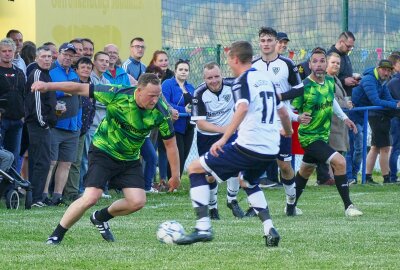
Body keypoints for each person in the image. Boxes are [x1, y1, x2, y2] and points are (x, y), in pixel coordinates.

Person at [31, 73, 180, 245]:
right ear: (138, 91)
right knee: (91, 197)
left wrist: (175, 175)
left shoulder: (161, 112)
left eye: (158, 95)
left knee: (137, 202)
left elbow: (170, 145)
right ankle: (56, 235)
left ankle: (100, 217)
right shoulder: (118, 93)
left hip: (129, 158)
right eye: (151, 95)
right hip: (103, 151)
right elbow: (79, 88)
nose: (155, 100)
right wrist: (48, 86)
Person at [175, 41, 292, 247]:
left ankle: (203, 227)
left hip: (249, 145)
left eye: (229, 59)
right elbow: (283, 112)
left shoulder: (241, 81)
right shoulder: (266, 79)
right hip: (271, 147)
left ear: (234, 59)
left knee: (194, 168)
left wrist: (223, 137)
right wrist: (288, 131)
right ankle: (269, 228)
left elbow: (243, 108)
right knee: (247, 181)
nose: (228, 64)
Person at [291, 47, 362, 217]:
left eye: (322, 61)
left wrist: (344, 118)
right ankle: (348, 206)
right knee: (340, 162)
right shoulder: (304, 86)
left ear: (326, 63)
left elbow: (332, 101)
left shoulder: (330, 81)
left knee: (306, 171)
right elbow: (289, 107)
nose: (319, 65)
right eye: (315, 61)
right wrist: (297, 117)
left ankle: (290, 206)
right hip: (309, 137)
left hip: (323, 136)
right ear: (310, 65)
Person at [251, 27, 304, 217]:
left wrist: (280, 95)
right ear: (259, 43)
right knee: (253, 163)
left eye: (269, 40)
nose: (266, 44)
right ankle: (254, 207)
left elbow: (299, 89)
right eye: (263, 40)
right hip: (259, 123)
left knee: (285, 166)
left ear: (276, 43)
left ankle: (291, 203)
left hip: (282, 124)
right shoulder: (253, 65)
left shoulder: (287, 64)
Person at [191, 61, 244, 219]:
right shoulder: (199, 93)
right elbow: (201, 123)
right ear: (204, 79)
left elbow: (243, 106)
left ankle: (232, 200)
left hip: (229, 134)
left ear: (222, 75)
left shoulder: (233, 85)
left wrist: (235, 127)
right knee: (209, 174)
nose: (214, 80)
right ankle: (213, 208)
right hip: (207, 137)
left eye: (216, 76)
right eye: (209, 78)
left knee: (236, 165)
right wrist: (224, 129)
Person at [352, 59, 400, 184]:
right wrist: (395, 105)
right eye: (384, 69)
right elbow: (376, 101)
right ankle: (386, 178)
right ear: (378, 68)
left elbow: (388, 99)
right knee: (383, 147)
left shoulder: (382, 81)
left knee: (375, 148)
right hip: (357, 115)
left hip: (366, 115)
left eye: (389, 70)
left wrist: (396, 103)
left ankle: (366, 177)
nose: (386, 73)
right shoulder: (369, 79)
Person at [44, 42, 80, 206]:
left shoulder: (74, 73)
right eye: (65, 54)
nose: (67, 57)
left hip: (73, 126)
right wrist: (62, 92)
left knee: (66, 163)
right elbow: (45, 93)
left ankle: (57, 196)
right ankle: (44, 195)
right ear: (58, 54)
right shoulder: (51, 72)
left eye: (71, 55)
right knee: (51, 162)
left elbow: (79, 96)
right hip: (55, 125)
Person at [24, 46, 56, 207]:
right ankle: (35, 198)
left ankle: (37, 197)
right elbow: (35, 103)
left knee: (43, 161)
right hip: (38, 125)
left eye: (49, 56)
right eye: (43, 56)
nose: (47, 59)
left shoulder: (47, 74)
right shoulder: (37, 74)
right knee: (40, 161)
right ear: (36, 58)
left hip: (43, 125)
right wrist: (43, 123)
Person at [162, 59, 195, 179]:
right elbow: (165, 102)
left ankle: (177, 181)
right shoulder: (167, 84)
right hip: (175, 125)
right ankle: (171, 181)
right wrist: (183, 110)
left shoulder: (191, 87)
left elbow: (195, 104)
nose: (183, 72)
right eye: (180, 69)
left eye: (186, 70)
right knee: (177, 155)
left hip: (189, 126)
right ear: (175, 71)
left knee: (184, 155)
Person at [326, 52, 353, 180]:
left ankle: (336, 177)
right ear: (326, 63)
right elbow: (330, 99)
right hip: (330, 122)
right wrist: (345, 104)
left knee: (339, 151)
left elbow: (339, 98)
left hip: (339, 123)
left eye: (338, 63)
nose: (336, 65)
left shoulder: (335, 79)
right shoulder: (325, 79)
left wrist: (347, 103)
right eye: (333, 62)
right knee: (331, 152)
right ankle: (328, 178)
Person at [0, 38, 26, 168]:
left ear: (14, 52)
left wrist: (23, 115)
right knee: (3, 158)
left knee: (14, 157)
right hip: (1, 121)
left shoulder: (20, 72)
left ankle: (11, 188)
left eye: (10, 51)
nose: (7, 53)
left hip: (17, 121)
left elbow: (24, 95)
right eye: (4, 51)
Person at [387, 54, 400, 183]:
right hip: (396, 119)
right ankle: (393, 176)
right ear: (395, 66)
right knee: (395, 147)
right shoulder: (395, 82)